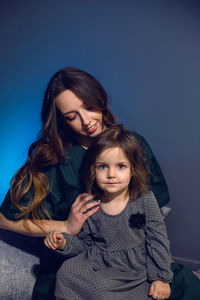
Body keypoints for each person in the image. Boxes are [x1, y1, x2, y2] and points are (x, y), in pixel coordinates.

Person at [1, 66, 199, 299]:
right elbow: (4, 219)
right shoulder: (54, 157)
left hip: (132, 262)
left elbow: (154, 211)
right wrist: (64, 226)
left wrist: (148, 252)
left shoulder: (132, 143)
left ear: (100, 98)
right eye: (71, 116)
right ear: (62, 120)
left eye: (89, 106)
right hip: (83, 258)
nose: (86, 121)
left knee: (185, 287)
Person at [45, 126, 173, 300]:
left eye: (120, 166)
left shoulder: (144, 199)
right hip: (97, 262)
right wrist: (64, 243)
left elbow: (158, 240)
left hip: (132, 270)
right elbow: (84, 244)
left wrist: (161, 278)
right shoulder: (92, 203)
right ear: (93, 169)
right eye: (103, 167)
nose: (111, 174)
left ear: (133, 170)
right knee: (66, 273)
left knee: (103, 292)